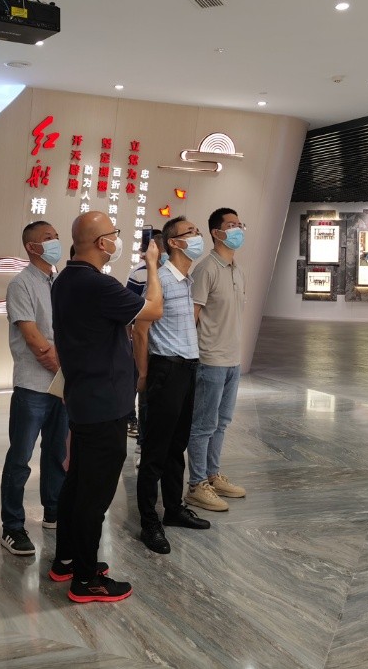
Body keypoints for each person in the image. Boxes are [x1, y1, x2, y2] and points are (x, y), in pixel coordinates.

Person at [48, 212, 163, 603]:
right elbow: (153, 310)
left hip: (85, 398)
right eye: (114, 234)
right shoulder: (98, 284)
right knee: (94, 497)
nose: (116, 240)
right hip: (104, 404)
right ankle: (85, 579)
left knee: (77, 485)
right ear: (101, 243)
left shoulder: (66, 279)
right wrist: (152, 266)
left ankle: (66, 560)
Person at [133, 217, 210, 555]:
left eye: (197, 231)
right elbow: (140, 329)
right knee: (155, 451)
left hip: (188, 368)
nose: (197, 236)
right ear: (175, 243)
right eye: (191, 232)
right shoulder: (162, 278)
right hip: (166, 369)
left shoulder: (186, 279)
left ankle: (174, 509)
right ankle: (149, 522)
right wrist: (144, 374)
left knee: (177, 445)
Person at [0, 221, 68, 555]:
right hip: (33, 385)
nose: (55, 242)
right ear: (31, 246)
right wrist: (64, 371)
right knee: (20, 458)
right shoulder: (21, 284)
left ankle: (53, 511)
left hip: (61, 385)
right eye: (47, 238)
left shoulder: (61, 282)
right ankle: (12, 526)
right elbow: (34, 338)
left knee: (57, 453)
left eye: (56, 237)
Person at [186, 208, 248, 513]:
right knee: (203, 425)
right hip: (210, 359)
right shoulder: (206, 269)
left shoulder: (237, 270)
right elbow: (192, 317)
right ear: (216, 232)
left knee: (221, 423)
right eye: (231, 225)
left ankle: (213, 475)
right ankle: (197, 485)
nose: (238, 229)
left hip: (233, 359)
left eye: (240, 224)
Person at [125, 228, 164, 441]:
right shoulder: (138, 273)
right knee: (138, 383)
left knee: (150, 390)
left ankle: (146, 434)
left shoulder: (170, 275)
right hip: (140, 339)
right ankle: (133, 422)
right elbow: (129, 313)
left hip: (162, 344)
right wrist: (128, 340)